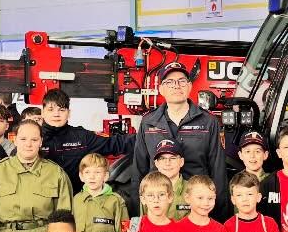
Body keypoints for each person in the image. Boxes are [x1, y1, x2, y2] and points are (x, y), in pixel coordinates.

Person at [130, 60, 227, 205]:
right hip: (158, 203)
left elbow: (218, 169)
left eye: (181, 81)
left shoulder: (208, 122)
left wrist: (219, 212)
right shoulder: (148, 122)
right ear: (161, 89)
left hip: (196, 203)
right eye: (170, 82)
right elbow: (139, 168)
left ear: (189, 86)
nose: (176, 86)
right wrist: (136, 211)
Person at [0, 117, 74, 232]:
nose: (28, 144)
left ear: (41, 142)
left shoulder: (56, 173)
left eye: (34, 139)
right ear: (14, 140)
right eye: (23, 139)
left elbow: (64, 216)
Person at [38, 89, 133, 176]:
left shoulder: (82, 137)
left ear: (69, 113)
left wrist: (144, 137)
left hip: (75, 194)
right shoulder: (33, 137)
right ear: (42, 112)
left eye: (62, 110)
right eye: (51, 110)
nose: (56, 114)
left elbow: (115, 144)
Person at [73, 152, 128, 232]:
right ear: (81, 176)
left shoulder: (116, 201)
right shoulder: (76, 200)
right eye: (87, 172)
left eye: (97, 172)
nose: (92, 177)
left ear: (106, 176)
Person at [151, 138, 193, 220]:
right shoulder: (147, 190)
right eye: (162, 158)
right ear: (156, 163)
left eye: (173, 158)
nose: (167, 163)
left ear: (181, 162)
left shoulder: (193, 190)